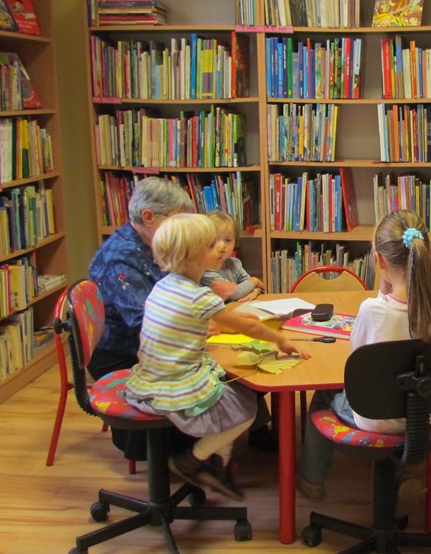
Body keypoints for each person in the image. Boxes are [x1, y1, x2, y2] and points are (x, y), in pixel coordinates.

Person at [124, 213, 311, 500]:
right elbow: (249, 328)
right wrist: (282, 341)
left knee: (238, 392)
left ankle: (219, 464)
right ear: (192, 255)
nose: (221, 248)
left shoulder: (163, 286)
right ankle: (192, 459)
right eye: (212, 245)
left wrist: (228, 322)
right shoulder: (200, 296)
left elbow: (195, 323)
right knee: (245, 412)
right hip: (176, 382)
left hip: (150, 376)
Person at [297, 210, 431, 505]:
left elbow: (357, 363)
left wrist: (381, 294)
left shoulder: (372, 310)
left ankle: (311, 480)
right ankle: (403, 473)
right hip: (425, 413)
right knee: (397, 397)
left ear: (379, 260)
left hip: (374, 419)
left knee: (323, 395)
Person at [88, 177, 196, 461]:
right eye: (178, 220)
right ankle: (182, 454)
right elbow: (144, 321)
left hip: (150, 342)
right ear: (149, 217)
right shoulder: (121, 256)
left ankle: (223, 440)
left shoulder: (153, 243)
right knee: (214, 370)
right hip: (122, 352)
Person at [202, 211, 278, 452]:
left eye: (228, 240)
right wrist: (252, 283)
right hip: (217, 333)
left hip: (237, 325)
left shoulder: (234, 264)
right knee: (242, 372)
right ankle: (254, 430)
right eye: (215, 240)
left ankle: (257, 428)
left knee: (257, 360)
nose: (222, 246)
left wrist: (253, 289)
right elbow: (235, 293)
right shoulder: (206, 271)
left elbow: (255, 291)